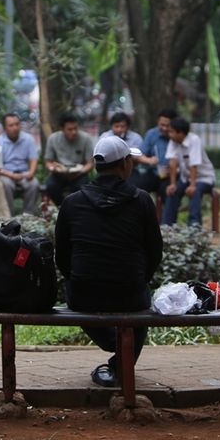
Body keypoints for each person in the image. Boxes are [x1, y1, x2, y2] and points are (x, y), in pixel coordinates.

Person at [55, 136, 162, 387]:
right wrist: (137, 279)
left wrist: (79, 278)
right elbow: (155, 252)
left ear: (96, 166)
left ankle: (114, 348)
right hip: (130, 294)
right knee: (139, 305)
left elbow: (62, 256)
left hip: (83, 295)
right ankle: (120, 357)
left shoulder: (72, 202)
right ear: (125, 164)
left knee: (78, 294)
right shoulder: (142, 200)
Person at [162, 117, 216, 227]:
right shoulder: (173, 142)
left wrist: (192, 185)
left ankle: (194, 224)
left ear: (180, 133)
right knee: (173, 191)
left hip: (204, 178)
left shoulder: (194, 140)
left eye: (172, 132)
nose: (169, 134)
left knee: (194, 191)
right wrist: (172, 184)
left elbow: (194, 164)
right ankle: (167, 225)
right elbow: (172, 163)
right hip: (185, 177)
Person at [44, 112, 94, 206]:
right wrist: (53, 168)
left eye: (75, 128)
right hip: (59, 173)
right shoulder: (53, 139)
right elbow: (48, 161)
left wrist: (81, 171)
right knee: (51, 186)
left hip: (79, 173)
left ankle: (78, 210)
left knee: (83, 188)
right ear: (62, 129)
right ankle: (62, 208)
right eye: (70, 129)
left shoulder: (86, 138)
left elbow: (90, 163)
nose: (74, 132)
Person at [0, 112, 40, 215]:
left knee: (34, 184)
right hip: (6, 174)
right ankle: (8, 217)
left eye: (17, 124)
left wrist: (31, 173)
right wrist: (11, 175)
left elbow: (33, 159)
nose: (15, 128)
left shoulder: (28, 139)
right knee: (5, 184)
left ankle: (28, 216)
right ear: (5, 128)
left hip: (24, 173)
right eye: (11, 125)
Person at [133, 108, 176, 195]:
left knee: (168, 191)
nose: (164, 128)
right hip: (153, 172)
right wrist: (149, 160)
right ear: (158, 122)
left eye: (167, 126)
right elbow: (139, 155)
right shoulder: (152, 134)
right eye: (162, 125)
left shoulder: (177, 136)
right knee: (136, 189)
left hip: (172, 175)